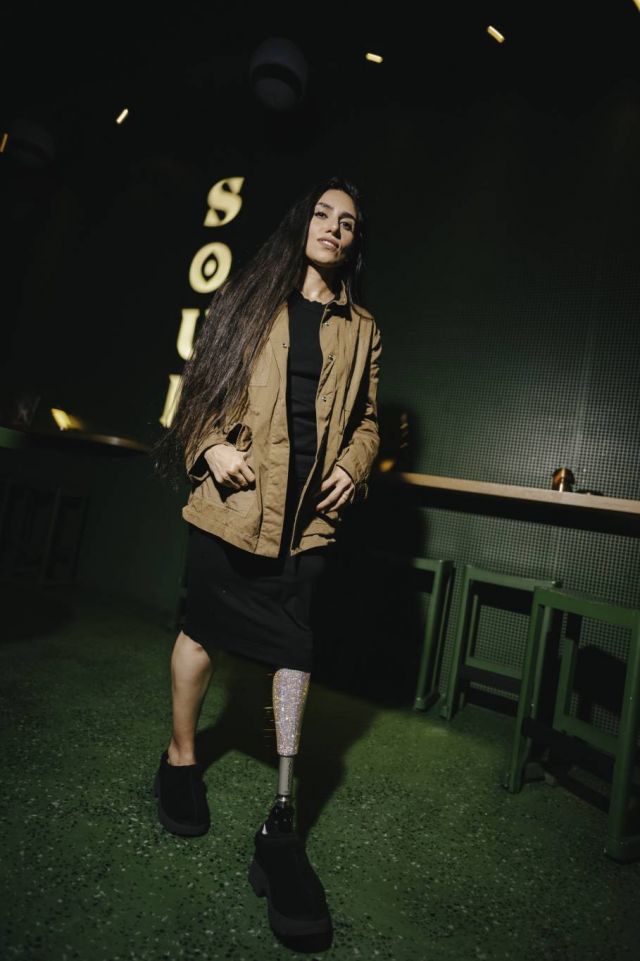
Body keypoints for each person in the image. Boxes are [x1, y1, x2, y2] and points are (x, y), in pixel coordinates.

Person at [151, 174, 382, 941]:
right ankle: (180, 756)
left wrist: (355, 462)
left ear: (355, 243)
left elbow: (369, 420)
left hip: (306, 523)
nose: (335, 228)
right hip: (233, 506)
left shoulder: (365, 329)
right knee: (200, 632)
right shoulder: (248, 298)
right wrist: (209, 446)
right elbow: (197, 390)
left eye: (348, 222)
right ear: (300, 223)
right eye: (323, 214)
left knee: (294, 653)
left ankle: (282, 817)